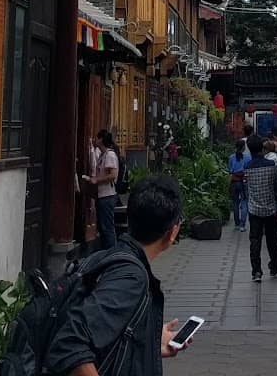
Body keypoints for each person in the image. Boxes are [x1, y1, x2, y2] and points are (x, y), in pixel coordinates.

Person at [48, 174, 190, 376]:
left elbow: (103, 334)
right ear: (172, 232)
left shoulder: (106, 258)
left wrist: (148, 342)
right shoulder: (131, 277)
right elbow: (71, 343)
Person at [241, 133, 277, 282]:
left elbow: (245, 186)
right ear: (262, 148)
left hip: (254, 209)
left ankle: (256, 271)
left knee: (255, 240)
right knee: (272, 239)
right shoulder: (271, 165)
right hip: (270, 208)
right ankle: (274, 265)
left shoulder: (247, 168)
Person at [91, 129, 121, 251]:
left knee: (107, 226)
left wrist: (97, 180)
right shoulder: (102, 154)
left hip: (107, 195)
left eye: (97, 138)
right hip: (101, 194)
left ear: (101, 139)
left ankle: (111, 252)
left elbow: (112, 175)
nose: (95, 140)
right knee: (103, 227)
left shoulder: (110, 155)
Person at [228, 138, 249, 232]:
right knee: (244, 203)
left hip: (234, 181)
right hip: (244, 181)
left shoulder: (231, 157)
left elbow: (230, 170)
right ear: (244, 147)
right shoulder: (248, 157)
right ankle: (242, 225)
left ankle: (236, 224)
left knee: (235, 203)